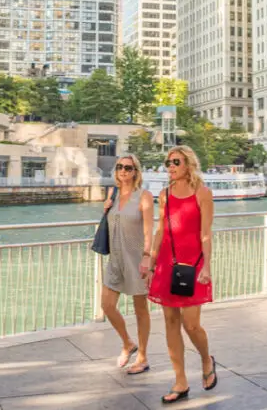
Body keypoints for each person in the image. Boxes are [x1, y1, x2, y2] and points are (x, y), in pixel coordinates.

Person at [147, 145, 217, 404]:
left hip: (194, 263)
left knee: (191, 324)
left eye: (176, 162)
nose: (171, 167)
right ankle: (180, 380)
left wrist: (207, 266)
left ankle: (206, 359)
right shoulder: (164, 194)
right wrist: (151, 262)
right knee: (170, 323)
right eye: (168, 163)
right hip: (167, 263)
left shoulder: (203, 193)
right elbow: (160, 230)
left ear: (188, 164)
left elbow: (206, 233)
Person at [101, 155, 154, 375]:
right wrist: (105, 209)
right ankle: (127, 343)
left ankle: (142, 357)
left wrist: (146, 256)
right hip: (115, 259)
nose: (123, 170)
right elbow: (112, 224)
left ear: (135, 172)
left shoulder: (144, 196)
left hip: (136, 259)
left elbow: (149, 230)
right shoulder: (111, 194)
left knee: (140, 309)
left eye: (128, 167)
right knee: (107, 305)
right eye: (120, 167)